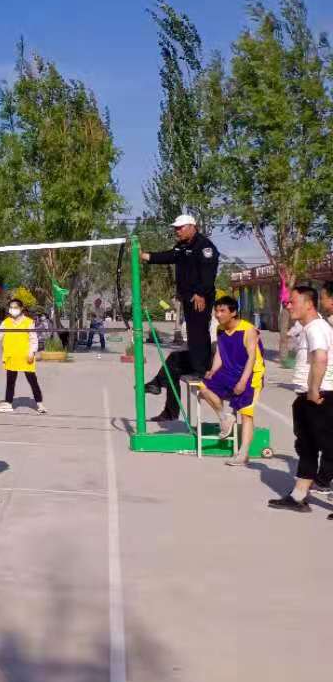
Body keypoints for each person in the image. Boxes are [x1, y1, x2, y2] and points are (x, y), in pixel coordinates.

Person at [267, 286, 333, 513]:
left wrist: (314, 390)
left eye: (293, 301)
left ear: (309, 304)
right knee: (307, 447)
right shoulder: (308, 328)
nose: (288, 305)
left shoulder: (316, 328)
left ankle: (317, 486)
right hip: (307, 395)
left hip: (321, 395)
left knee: (328, 446)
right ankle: (298, 497)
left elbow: (320, 358)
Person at [141, 214, 219, 376]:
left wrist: (200, 293)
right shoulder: (182, 246)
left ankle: (202, 369)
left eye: (180, 228)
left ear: (192, 227)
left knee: (199, 332)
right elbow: (169, 256)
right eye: (176, 228)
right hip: (188, 297)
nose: (177, 231)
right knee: (192, 333)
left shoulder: (204, 246)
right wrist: (146, 256)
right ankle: (196, 366)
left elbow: (208, 273)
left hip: (200, 298)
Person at [198, 296, 265, 467]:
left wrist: (243, 382)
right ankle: (224, 419)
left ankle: (243, 454)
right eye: (216, 311)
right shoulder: (220, 329)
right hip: (229, 371)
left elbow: (251, 358)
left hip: (251, 374)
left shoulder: (248, 330)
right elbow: (220, 353)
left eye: (222, 311)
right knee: (203, 387)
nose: (218, 314)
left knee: (246, 413)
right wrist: (213, 370)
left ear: (233, 312)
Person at [0, 298, 45, 413]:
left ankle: (39, 403)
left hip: (25, 356)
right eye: (11, 307)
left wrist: (32, 352)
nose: (13, 309)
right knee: (10, 381)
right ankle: (8, 403)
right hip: (11, 356)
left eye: (15, 307)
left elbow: (33, 339)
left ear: (21, 308)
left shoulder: (28, 322)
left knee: (32, 380)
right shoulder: (6, 322)